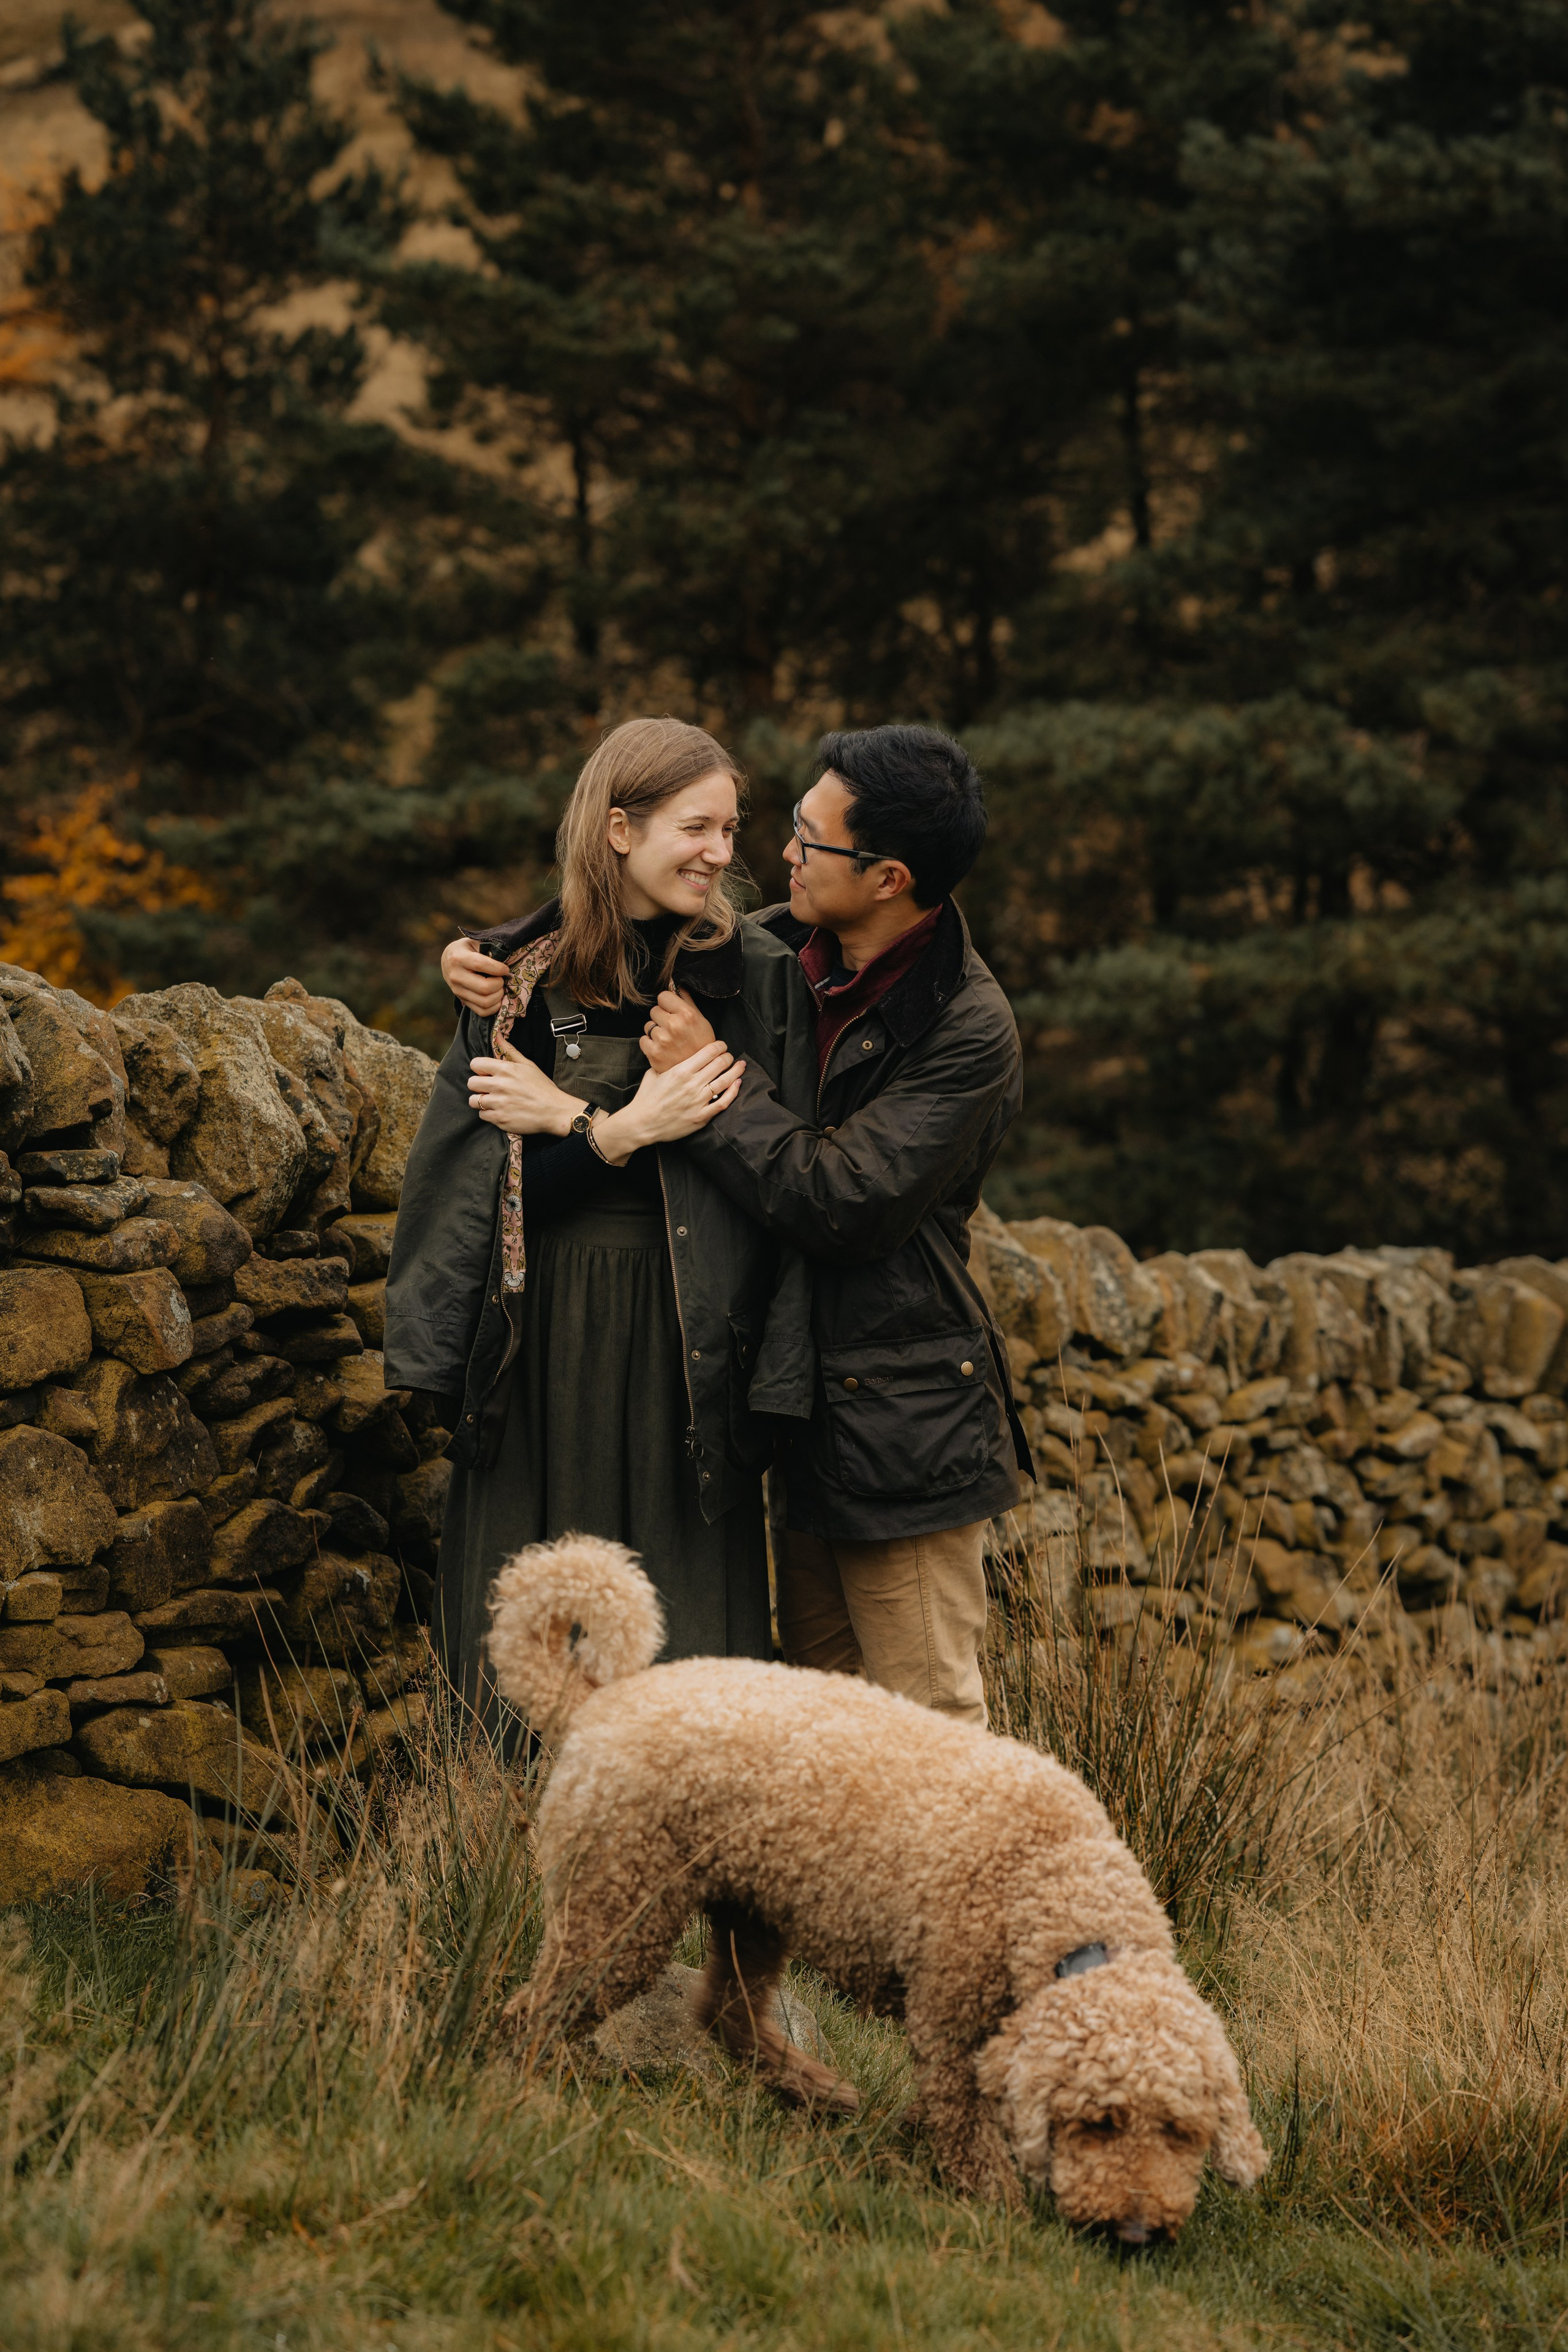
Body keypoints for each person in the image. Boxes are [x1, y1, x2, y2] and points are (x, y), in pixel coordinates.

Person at [384, 716, 817, 1733]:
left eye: (730, 828)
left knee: (687, 1614)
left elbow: (786, 1179)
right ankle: (498, 1867)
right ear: (619, 829)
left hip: (691, 1348)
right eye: (695, 826)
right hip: (540, 1342)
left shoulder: (757, 979)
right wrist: (618, 1131)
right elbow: (486, 1196)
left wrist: (584, 1123)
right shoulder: (515, 984)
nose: (721, 852)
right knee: (531, 1615)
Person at [641, 723, 1033, 1727]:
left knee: (928, 1721)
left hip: (903, 1416)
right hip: (801, 1393)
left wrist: (709, 1086)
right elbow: (627, 923)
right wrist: (491, 956)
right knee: (825, 1724)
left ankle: (967, 1894)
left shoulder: (969, 1026)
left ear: (891, 877)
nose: (781, 853)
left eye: (811, 840)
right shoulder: (779, 946)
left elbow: (845, 1197)